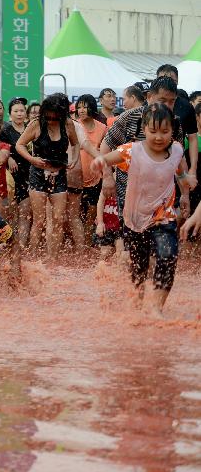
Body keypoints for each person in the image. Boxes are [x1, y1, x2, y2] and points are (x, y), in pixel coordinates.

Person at [91, 103, 190, 317]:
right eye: (153, 131)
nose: (158, 137)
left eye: (164, 131)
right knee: (139, 267)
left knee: (167, 257)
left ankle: (157, 308)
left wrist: (186, 181)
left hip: (164, 217)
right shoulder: (132, 151)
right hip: (134, 219)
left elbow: (180, 171)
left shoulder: (176, 150)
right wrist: (100, 161)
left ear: (172, 131)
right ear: (144, 129)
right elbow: (110, 157)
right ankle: (137, 299)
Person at [15, 93, 96, 260]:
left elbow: (75, 143)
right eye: (49, 117)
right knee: (39, 220)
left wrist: (73, 160)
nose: (51, 120)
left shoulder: (67, 123)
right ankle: (33, 256)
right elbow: (19, 145)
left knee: (59, 218)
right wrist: (32, 159)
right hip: (38, 174)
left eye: (55, 117)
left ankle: (53, 259)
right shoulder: (36, 123)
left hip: (60, 173)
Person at [102, 76, 197, 214]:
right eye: (162, 100)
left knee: (163, 233)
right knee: (132, 233)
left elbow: (179, 160)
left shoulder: (174, 124)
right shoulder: (129, 117)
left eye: (172, 102)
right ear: (149, 97)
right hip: (129, 192)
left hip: (161, 196)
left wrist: (185, 195)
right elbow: (106, 145)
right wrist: (108, 177)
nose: (167, 106)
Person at [155, 64, 198, 187]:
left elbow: (192, 138)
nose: (167, 83)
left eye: (172, 80)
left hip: (176, 164)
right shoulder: (147, 107)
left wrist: (193, 168)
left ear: (177, 82)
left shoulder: (186, 106)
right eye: (163, 79)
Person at [74, 94, 107, 238]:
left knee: (92, 213)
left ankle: (87, 242)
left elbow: (106, 151)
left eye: (84, 107)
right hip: (75, 176)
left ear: (92, 108)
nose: (81, 110)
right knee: (76, 214)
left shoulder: (103, 128)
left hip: (96, 177)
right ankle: (78, 246)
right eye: (79, 107)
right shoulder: (73, 125)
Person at [0, 98, 31, 247]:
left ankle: (22, 246)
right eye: (16, 111)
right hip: (10, 177)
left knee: (25, 214)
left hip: (28, 175)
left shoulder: (30, 128)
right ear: (10, 114)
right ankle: (10, 245)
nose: (19, 114)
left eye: (22, 111)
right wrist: (9, 158)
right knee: (11, 214)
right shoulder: (5, 131)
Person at [94, 189, 123, 259]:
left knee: (120, 254)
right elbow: (100, 202)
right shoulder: (108, 185)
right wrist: (100, 222)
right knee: (104, 254)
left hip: (120, 227)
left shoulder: (128, 187)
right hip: (106, 226)